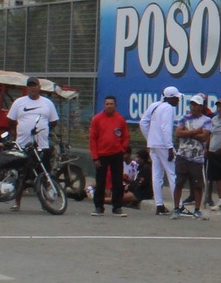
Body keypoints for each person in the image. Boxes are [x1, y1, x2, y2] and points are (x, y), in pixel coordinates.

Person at [4, 79, 62, 213]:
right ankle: (17, 203)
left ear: (39, 87)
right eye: (29, 86)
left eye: (34, 86)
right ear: (27, 88)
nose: (32, 88)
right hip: (23, 146)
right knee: (21, 175)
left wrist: (43, 129)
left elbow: (54, 121)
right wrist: (17, 133)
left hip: (42, 145)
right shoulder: (19, 102)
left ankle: (45, 203)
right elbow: (10, 121)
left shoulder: (47, 103)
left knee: (44, 174)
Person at [138, 86, 181, 214]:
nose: (178, 100)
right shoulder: (168, 108)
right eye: (176, 98)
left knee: (157, 175)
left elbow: (143, 123)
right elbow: (165, 129)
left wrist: (150, 138)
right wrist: (169, 147)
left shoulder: (155, 105)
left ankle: (159, 205)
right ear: (171, 98)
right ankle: (179, 205)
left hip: (153, 145)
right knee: (173, 174)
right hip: (163, 145)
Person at [88, 96, 130, 216]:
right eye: (107, 104)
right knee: (100, 182)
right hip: (101, 155)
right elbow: (92, 139)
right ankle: (99, 207)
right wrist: (95, 157)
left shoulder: (120, 119)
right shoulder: (97, 119)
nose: (109, 106)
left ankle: (117, 207)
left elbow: (126, 136)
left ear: (115, 105)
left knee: (117, 182)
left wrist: (122, 149)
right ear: (104, 105)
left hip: (116, 155)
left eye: (111, 104)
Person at [172, 95, 212, 217]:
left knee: (197, 185)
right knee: (179, 183)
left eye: (196, 105)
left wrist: (187, 133)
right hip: (182, 155)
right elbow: (178, 133)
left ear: (201, 107)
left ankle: (197, 209)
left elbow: (204, 136)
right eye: (192, 105)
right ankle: (176, 208)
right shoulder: (184, 118)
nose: (193, 107)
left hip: (197, 158)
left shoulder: (206, 120)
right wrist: (195, 131)